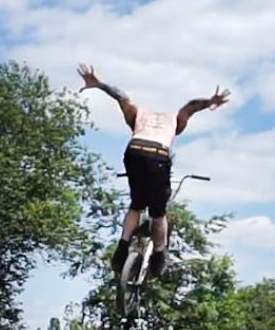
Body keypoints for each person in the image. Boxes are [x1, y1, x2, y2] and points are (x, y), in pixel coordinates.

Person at [77, 64, 230, 276]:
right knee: (158, 213)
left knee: (136, 205)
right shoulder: (174, 121)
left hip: (133, 153)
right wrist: (210, 102)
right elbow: (190, 106)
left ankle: (121, 250)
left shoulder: (139, 114)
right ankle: (159, 255)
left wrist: (99, 84)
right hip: (158, 156)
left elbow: (121, 96)